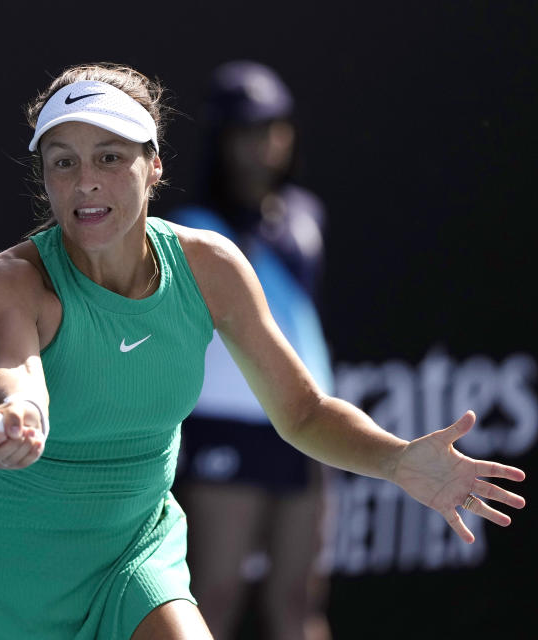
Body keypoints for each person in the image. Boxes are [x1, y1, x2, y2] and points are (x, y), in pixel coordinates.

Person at [0, 62, 525, 640]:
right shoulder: (5, 281)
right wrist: (21, 408)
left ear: (153, 164)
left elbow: (300, 413)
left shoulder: (209, 266)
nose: (84, 182)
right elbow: (14, 370)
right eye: (62, 161)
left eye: (109, 157)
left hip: (129, 555)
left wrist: (397, 461)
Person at [168, 61, 334, 640]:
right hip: (225, 430)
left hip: (306, 426)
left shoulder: (307, 218)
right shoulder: (189, 229)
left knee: (298, 602)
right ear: (221, 142)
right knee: (212, 595)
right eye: (244, 133)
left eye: (271, 130)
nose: (260, 148)